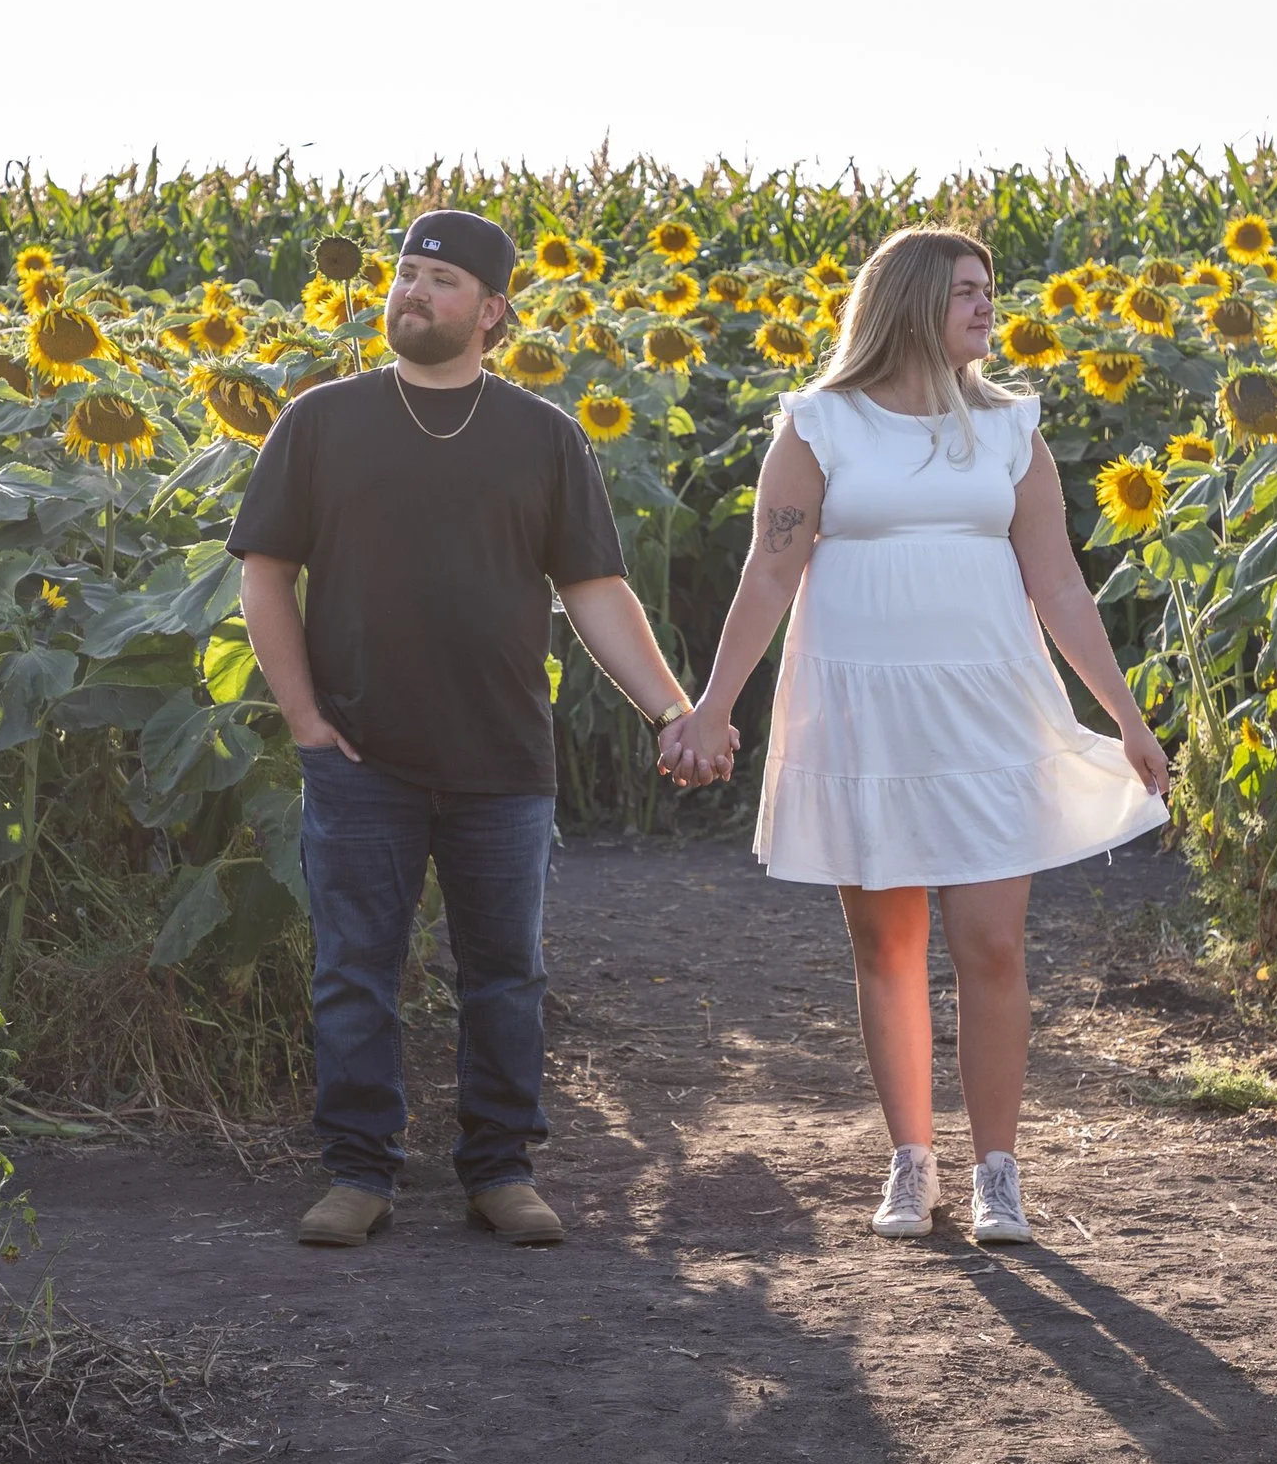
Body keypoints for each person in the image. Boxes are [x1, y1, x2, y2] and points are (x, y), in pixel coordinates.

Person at [660, 225, 1170, 1245]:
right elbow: (768, 571)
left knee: (992, 941)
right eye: (965, 292)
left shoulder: (1011, 428)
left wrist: (1125, 716)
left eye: (990, 290)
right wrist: (713, 704)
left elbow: (1059, 582)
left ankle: (996, 1170)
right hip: (864, 714)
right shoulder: (818, 425)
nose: (987, 308)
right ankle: (909, 1159)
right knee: (886, 944)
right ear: (907, 302)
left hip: (989, 710)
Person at [229, 209, 714, 1248]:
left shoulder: (543, 436)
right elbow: (264, 574)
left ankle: (499, 1167)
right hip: (359, 754)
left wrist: (671, 709)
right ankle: (358, 1171)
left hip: (501, 757)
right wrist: (305, 719)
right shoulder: (322, 420)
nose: (413, 292)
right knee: (355, 968)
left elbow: (594, 592)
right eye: (406, 273)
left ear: (491, 311)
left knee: (506, 972)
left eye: (441, 281)